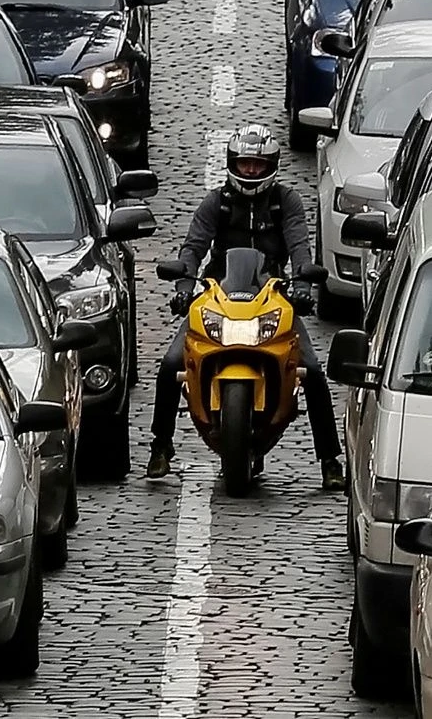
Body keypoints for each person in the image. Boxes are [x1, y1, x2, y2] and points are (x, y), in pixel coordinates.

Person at [147, 124, 345, 490]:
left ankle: (330, 460)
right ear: (231, 164)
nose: (251, 171)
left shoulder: (287, 202)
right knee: (172, 363)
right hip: (217, 294)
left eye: (257, 164)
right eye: (244, 164)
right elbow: (192, 248)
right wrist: (184, 287)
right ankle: (160, 445)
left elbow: (301, 249)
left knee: (314, 372)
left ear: (271, 164)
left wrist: (301, 288)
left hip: (272, 294)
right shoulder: (215, 202)